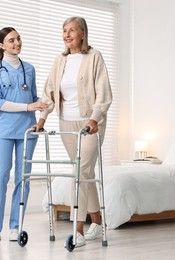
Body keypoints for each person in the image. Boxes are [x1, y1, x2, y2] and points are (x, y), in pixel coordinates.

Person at [34, 17, 112, 247]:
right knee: (83, 173)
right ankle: (97, 223)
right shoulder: (60, 60)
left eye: (72, 31)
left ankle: (77, 230)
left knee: (80, 171)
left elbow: (104, 93)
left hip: (90, 124)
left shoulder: (94, 57)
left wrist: (94, 118)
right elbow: (49, 92)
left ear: (83, 34)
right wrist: (42, 118)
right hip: (67, 124)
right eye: (64, 31)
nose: (67, 35)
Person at [0, 27, 48, 243]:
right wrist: (29, 107)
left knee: (23, 179)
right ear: (2, 45)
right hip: (3, 130)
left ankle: (15, 226)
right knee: (0, 176)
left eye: (18, 39)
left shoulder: (29, 68)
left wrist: (45, 103)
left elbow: (33, 96)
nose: (17, 43)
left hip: (27, 132)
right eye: (11, 40)